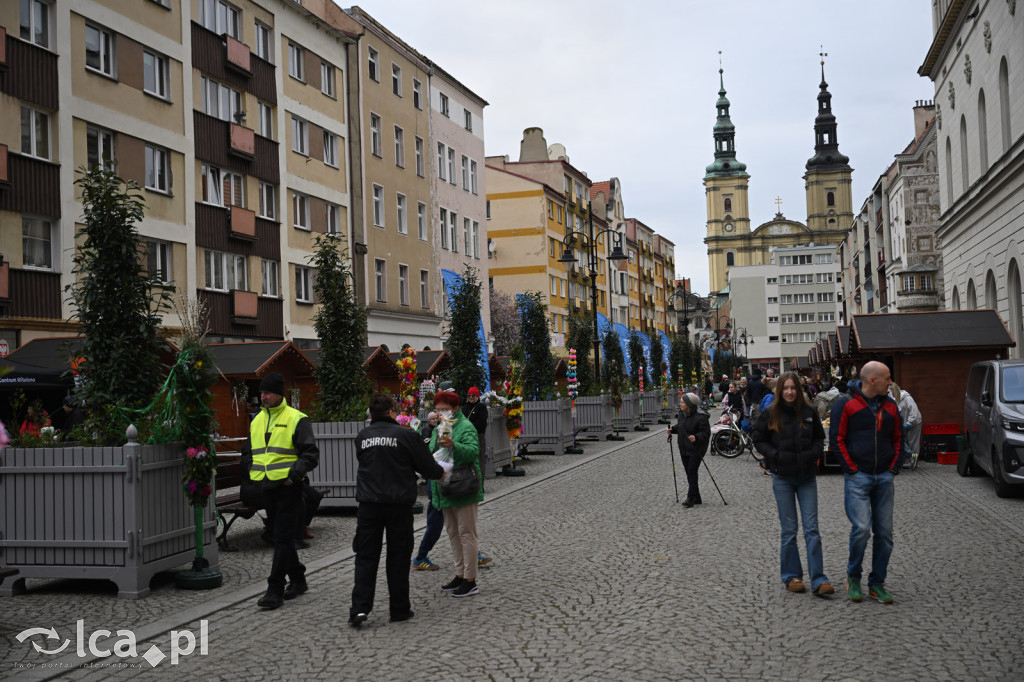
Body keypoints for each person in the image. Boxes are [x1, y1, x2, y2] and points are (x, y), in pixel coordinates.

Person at [349, 394, 447, 628]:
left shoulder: (362, 437)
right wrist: (439, 474)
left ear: (371, 414)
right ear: (393, 412)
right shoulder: (406, 435)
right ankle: (399, 609)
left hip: (369, 505)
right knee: (399, 557)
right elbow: (425, 465)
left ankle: (360, 609)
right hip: (398, 504)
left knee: (365, 557)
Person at [241, 372, 320, 610]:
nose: (262, 397)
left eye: (267, 393)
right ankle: (298, 579)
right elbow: (249, 452)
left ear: (279, 394)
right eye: (261, 393)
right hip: (265, 487)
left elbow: (311, 455)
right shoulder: (256, 420)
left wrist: (292, 476)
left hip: (288, 488)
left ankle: (274, 589)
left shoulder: (297, 418)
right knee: (280, 535)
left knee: (283, 538)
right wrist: (252, 477)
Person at [753, 372, 834, 597]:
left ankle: (819, 578)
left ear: (799, 390)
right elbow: (758, 439)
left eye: (794, 388)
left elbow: (820, 439)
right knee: (789, 530)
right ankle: (792, 575)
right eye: (786, 388)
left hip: (807, 476)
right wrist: (775, 455)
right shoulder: (771, 412)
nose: (790, 392)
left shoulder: (808, 412)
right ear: (780, 390)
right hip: (783, 478)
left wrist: (812, 454)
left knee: (812, 529)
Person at [829, 361, 901, 605]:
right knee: (861, 529)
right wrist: (851, 468)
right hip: (858, 476)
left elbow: (899, 438)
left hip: (884, 476)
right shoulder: (845, 403)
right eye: (887, 378)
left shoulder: (891, 406)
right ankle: (854, 576)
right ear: (872, 380)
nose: (890, 382)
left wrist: (893, 468)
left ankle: (877, 583)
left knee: (885, 533)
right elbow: (836, 439)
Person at [431, 390, 484, 598]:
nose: (439, 412)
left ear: (454, 408)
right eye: (437, 409)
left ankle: (471, 580)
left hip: (463, 486)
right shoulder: (440, 427)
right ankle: (460, 574)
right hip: (445, 487)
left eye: (443, 409)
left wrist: (454, 445)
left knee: (466, 533)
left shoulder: (465, 426)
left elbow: (472, 450)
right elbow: (432, 452)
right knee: (453, 534)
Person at [667, 392, 711, 508]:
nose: (680, 404)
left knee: (691, 471)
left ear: (689, 404)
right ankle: (697, 497)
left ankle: (690, 497)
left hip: (697, 448)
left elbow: (706, 433)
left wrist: (696, 437)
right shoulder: (682, 414)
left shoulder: (701, 417)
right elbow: (682, 427)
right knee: (689, 472)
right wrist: (673, 429)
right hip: (684, 447)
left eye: (682, 402)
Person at [890, 383, 922, 469]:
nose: (890, 393)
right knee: (906, 443)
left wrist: (910, 422)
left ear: (894, 390)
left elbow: (914, 411)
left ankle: (914, 461)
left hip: (914, 423)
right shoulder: (894, 399)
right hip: (904, 424)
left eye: (891, 391)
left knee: (913, 443)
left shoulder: (907, 398)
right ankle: (908, 460)